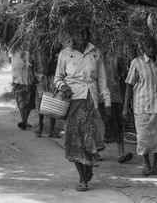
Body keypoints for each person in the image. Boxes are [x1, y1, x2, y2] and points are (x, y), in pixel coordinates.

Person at [54, 26, 111, 192]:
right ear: (73, 35)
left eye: (85, 32)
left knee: (90, 139)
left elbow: (102, 79)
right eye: (79, 32)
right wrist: (63, 86)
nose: (83, 35)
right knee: (74, 141)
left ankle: (88, 168)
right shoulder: (65, 54)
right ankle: (82, 177)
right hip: (72, 102)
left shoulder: (95, 53)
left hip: (91, 101)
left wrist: (106, 102)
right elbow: (57, 78)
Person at [123, 35, 157, 176]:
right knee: (144, 137)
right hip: (143, 105)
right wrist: (125, 108)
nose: (151, 49)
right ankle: (146, 164)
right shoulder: (137, 63)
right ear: (143, 47)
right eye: (148, 46)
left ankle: (155, 166)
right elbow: (129, 85)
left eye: (153, 46)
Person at [97, 52, 133, 164]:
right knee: (100, 124)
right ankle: (96, 152)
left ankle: (121, 153)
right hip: (101, 95)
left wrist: (126, 102)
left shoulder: (119, 55)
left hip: (116, 96)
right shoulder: (96, 54)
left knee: (119, 124)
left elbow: (123, 78)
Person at [9, 45, 37, 130]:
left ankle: (24, 121)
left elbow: (9, 60)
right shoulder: (14, 48)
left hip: (24, 78)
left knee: (24, 101)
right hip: (21, 78)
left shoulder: (14, 48)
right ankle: (24, 121)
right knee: (25, 101)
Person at [34, 45, 58, 138]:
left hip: (52, 76)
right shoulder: (38, 47)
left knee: (53, 101)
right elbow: (33, 62)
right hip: (42, 77)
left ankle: (50, 130)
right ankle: (41, 127)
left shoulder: (56, 46)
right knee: (43, 102)